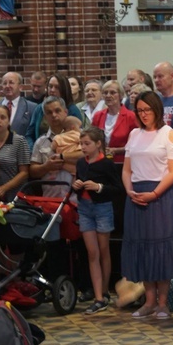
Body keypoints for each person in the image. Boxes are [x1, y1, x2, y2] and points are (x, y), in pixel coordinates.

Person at [121, 91, 173, 320]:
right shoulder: (134, 134)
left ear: (157, 110)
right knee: (143, 247)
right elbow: (127, 169)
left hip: (161, 195)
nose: (143, 114)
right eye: (139, 110)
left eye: (147, 109)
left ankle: (163, 303)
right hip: (136, 194)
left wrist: (155, 193)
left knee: (161, 248)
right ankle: (148, 301)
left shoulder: (167, 133)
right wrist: (129, 190)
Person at [73, 127, 123, 315]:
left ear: (98, 144)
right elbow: (78, 184)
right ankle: (98, 297)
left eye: (87, 144)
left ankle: (103, 290)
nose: (83, 147)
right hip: (85, 209)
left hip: (102, 209)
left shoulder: (106, 164)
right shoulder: (80, 163)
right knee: (92, 252)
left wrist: (99, 187)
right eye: (81, 144)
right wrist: (77, 186)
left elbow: (117, 188)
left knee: (103, 251)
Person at [26, 73, 84, 151]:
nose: (52, 90)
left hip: (67, 151)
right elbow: (30, 134)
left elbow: (79, 134)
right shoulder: (39, 108)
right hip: (41, 150)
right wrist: (34, 149)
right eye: (50, 86)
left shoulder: (72, 109)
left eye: (57, 87)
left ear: (64, 89)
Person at [0, 105, 30, 202]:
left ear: (8, 121)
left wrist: (4, 188)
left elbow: (24, 173)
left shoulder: (19, 141)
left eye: (3, 117)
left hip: (14, 196)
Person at [92, 80, 138, 165]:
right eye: (105, 93)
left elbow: (137, 145)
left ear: (121, 95)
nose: (108, 95)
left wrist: (116, 150)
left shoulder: (131, 117)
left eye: (112, 93)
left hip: (123, 163)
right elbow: (92, 139)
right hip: (101, 163)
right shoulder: (97, 116)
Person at [1, 72, 37, 137]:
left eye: (11, 82)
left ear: (20, 87)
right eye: (4, 83)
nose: (7, 86)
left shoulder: (32, 108)